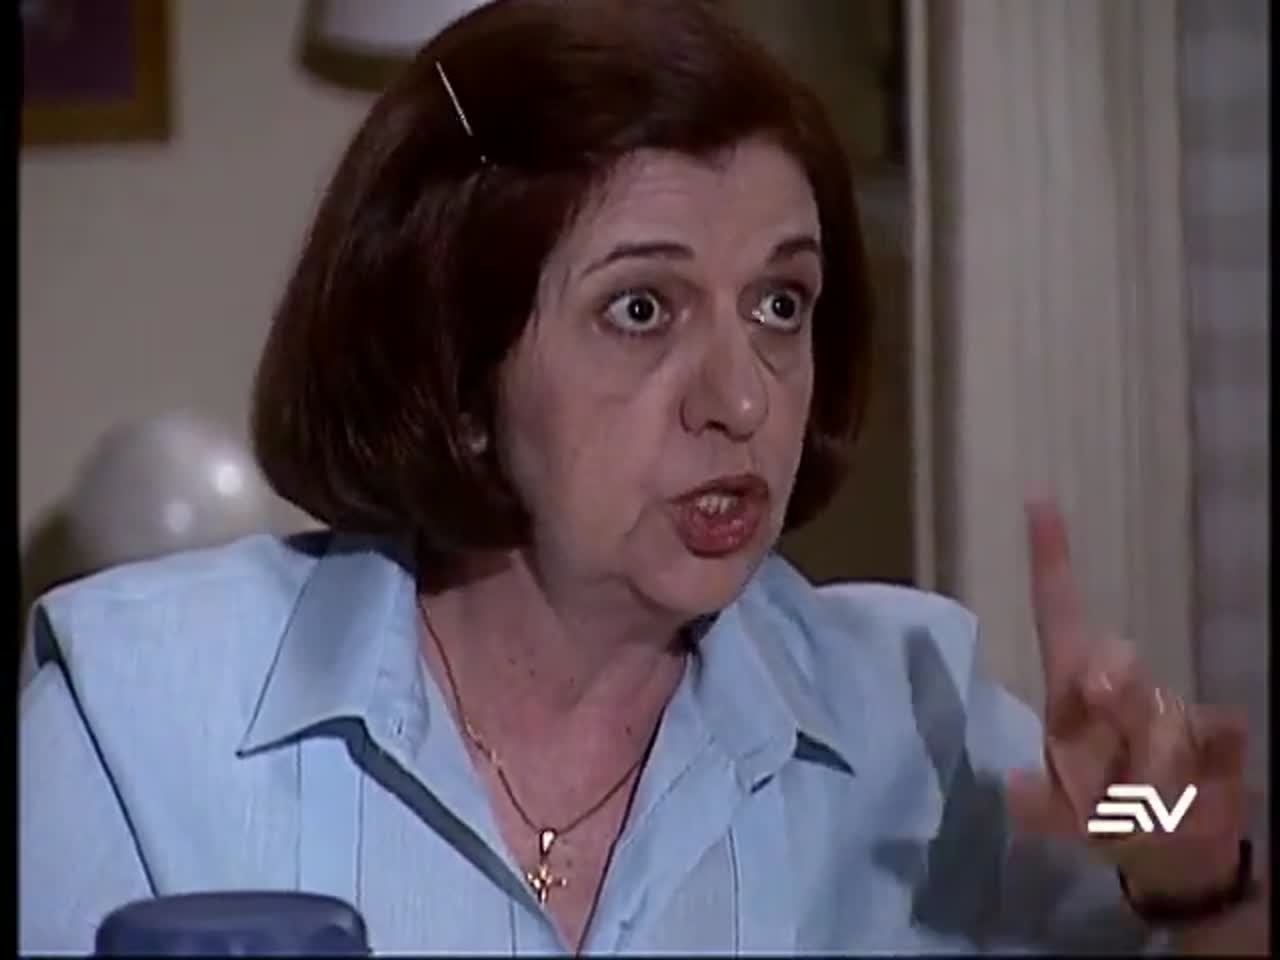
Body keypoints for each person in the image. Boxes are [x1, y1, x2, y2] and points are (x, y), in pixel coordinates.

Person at [19, 0, 1267, 954]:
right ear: (456, 370)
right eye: (640, 308)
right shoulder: (136, 713)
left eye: (779, 303)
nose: (743, 399)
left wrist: (1191, 862)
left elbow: (1152, 870)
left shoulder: (911, 708)